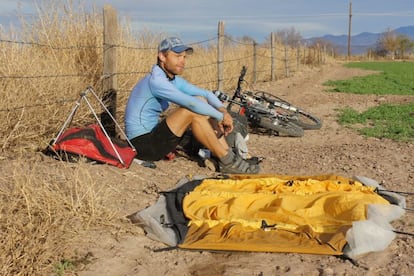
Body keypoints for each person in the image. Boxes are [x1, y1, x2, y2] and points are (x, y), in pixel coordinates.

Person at [124, 37, 260, 174]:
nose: (182, 61)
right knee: (191, 110)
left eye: (184, 57)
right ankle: (227, 161)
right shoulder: (156, 81)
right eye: (177, 56)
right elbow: (190, 104)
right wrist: (219, 116)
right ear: (162, 56)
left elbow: (206, 94)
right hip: (142, 146)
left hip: (153, 137)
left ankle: (228, 156)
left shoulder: (170, 79)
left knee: (200, 99)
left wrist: (223, 112)